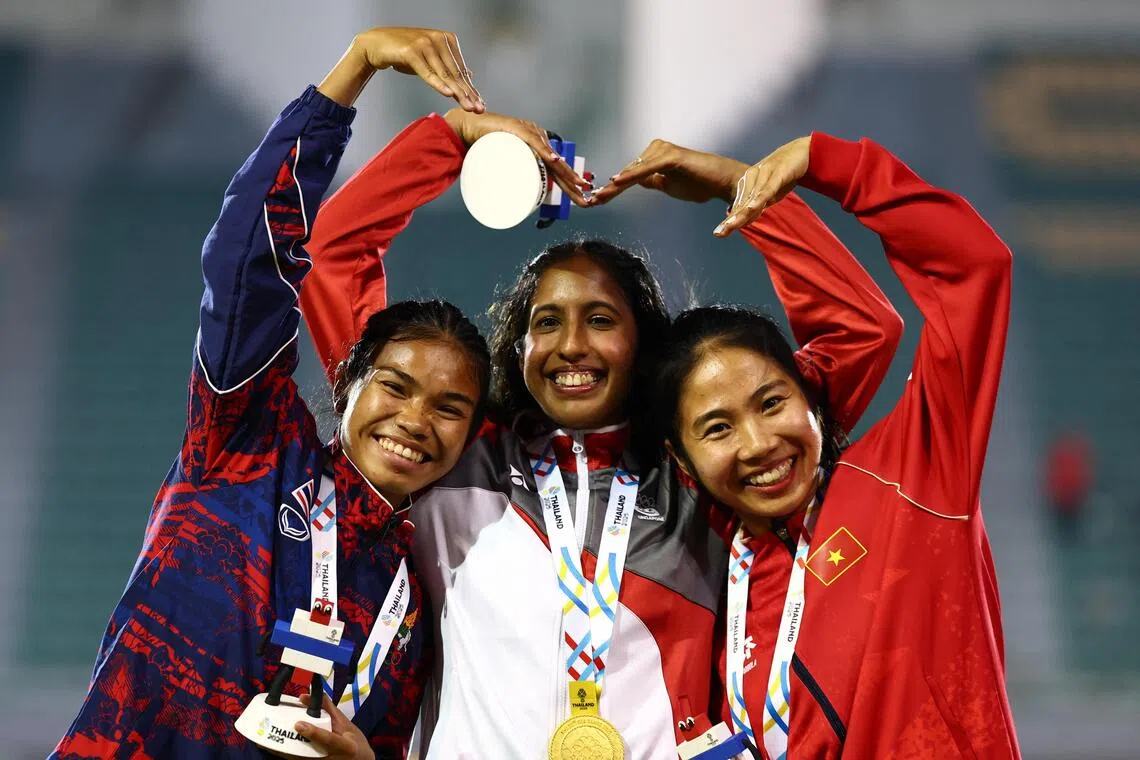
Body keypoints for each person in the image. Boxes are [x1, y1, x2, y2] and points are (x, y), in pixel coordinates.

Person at [299, 110, 902, 756]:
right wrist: (452, 141)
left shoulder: (702, 473)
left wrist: (744, 192)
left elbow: (862, 331)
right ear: (520, 343)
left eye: (600, 319)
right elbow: (332, 253)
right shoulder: (455, 447)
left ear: (642, 339)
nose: (572, 346)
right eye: (548, 322)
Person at [52, 26, 492, 760]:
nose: (415, 421)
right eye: (397, 386)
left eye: (449, 408)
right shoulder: (247, 445)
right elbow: (245, 259)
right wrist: (357, 68)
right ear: (348, 379)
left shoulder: (416, 604)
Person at [640, 133, 1019, 758]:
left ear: (811, 395)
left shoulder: (913, 481)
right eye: (717, 428)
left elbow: (973, 268)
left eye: (771, 404)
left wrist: (807, 169)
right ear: (681, 460)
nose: (758, 444)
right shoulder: (704, 571)